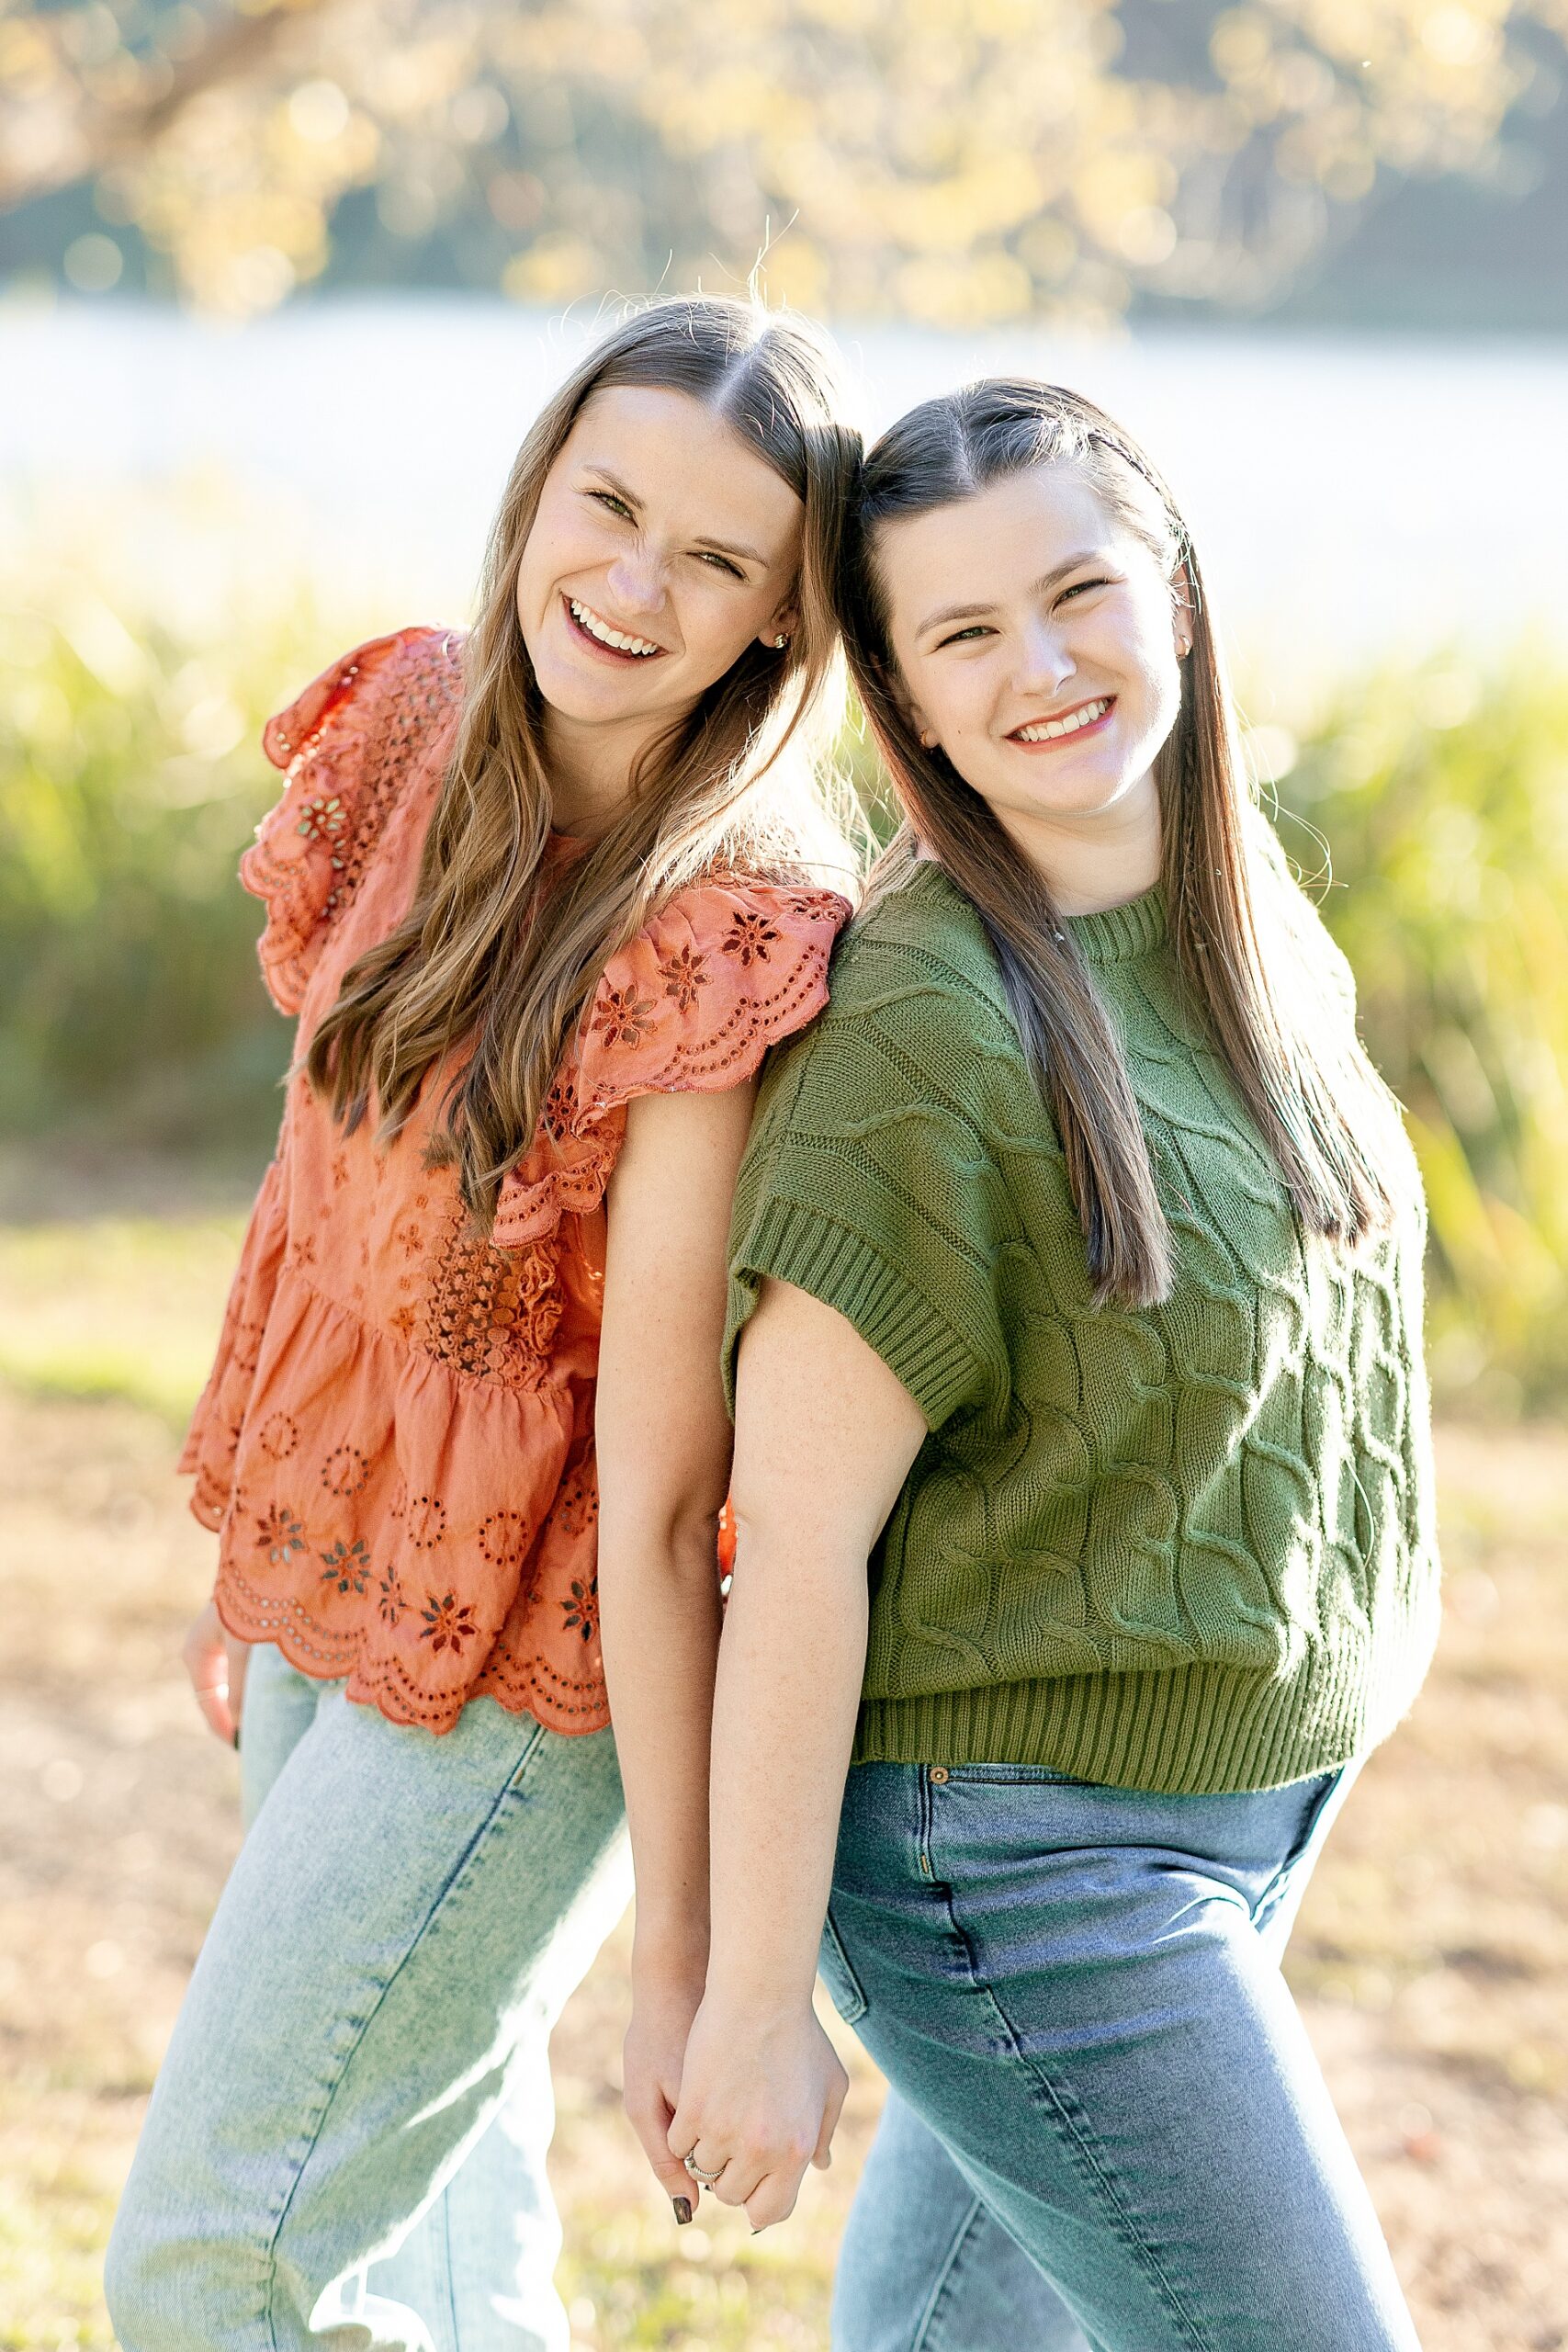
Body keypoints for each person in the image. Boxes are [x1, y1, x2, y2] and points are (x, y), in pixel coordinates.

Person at [103, 294, 860, 2352]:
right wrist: (257, 1546)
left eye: (716, 561)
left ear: (782, 623)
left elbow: (664, 1470)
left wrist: (678, 1947)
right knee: (435, 2231)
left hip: (522, 1676)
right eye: (605, 508)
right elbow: (313, 1183)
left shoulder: (721, 922)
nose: (633, 585)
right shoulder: (411, 724)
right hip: (334, 1569)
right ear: (536, 489)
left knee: (205, 2264)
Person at [649, 380, 1438, 2350]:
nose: (1042, 668)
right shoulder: (918, 1036)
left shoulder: (1241, 918)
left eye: (1075, 591)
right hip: (1021, 1860)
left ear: (1172, 589)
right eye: (962, 635)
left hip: (1244, 1807)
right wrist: (751, 1997)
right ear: (904, 699)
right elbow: (794, 1547)